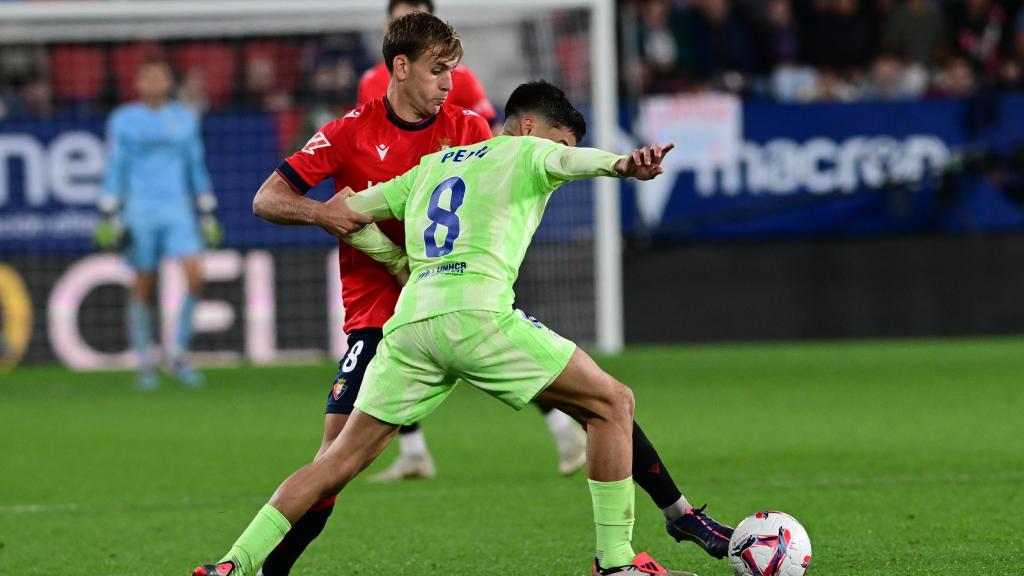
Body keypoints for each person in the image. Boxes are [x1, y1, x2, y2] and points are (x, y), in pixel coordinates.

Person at [248, 15, 729, 576]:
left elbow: (508, 183)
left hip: (449, 296)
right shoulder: (346, 131)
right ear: (400, 67)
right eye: (439, 70)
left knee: (594, 400)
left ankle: (677, 512)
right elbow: (267, 198)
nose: (449, 83)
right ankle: (264, 569)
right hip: (378, 312)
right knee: (334, 462)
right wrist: (321, 213)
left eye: (453, 70)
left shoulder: (468, 130)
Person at [357, 0, 583, 484]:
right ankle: (413, 449)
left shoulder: (462, 81)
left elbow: (484, 140)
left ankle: (562, 424)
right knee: (395, 337)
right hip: (401, 210)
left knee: (478, 332)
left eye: (416, 15)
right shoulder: (370, 85)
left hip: (454, 215)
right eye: (399, 18)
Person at [95, 58, 222, 389]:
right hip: (140, 210)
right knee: (143, 284)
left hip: (177, 209)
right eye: (147, 76)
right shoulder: (124, 119)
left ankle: (176, 354)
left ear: (168, 82)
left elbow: (195, 163)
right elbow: (116, 164)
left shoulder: (184, 118)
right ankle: (145, 363)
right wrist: (109, 207)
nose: (153, 82)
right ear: (138, 82)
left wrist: (206, 207)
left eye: (159, 76)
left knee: (196, 277)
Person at [358, 0, 497, 125]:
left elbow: (492, 132)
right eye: (401, 25)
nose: (409, 35)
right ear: (387, 27)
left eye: (419, 27)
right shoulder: (370, 81)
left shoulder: (462, 78)